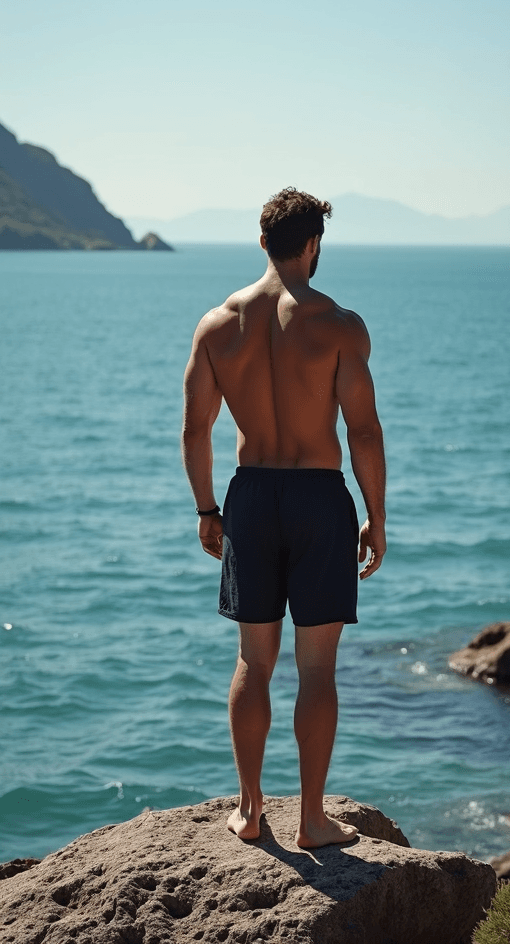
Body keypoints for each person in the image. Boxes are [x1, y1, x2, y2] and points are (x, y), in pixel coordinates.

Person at [182, 188, 386, 848]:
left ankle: (247, 811)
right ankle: (313, 819)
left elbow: (195, 429)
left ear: (262, 242)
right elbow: (364, 433)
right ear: (312, 245)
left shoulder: (217, 325)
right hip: (319, 498)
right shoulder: (339, 325)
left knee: (253, 662)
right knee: (318, 669)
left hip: (249, 497)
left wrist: (207, 509)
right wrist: (376, 518)